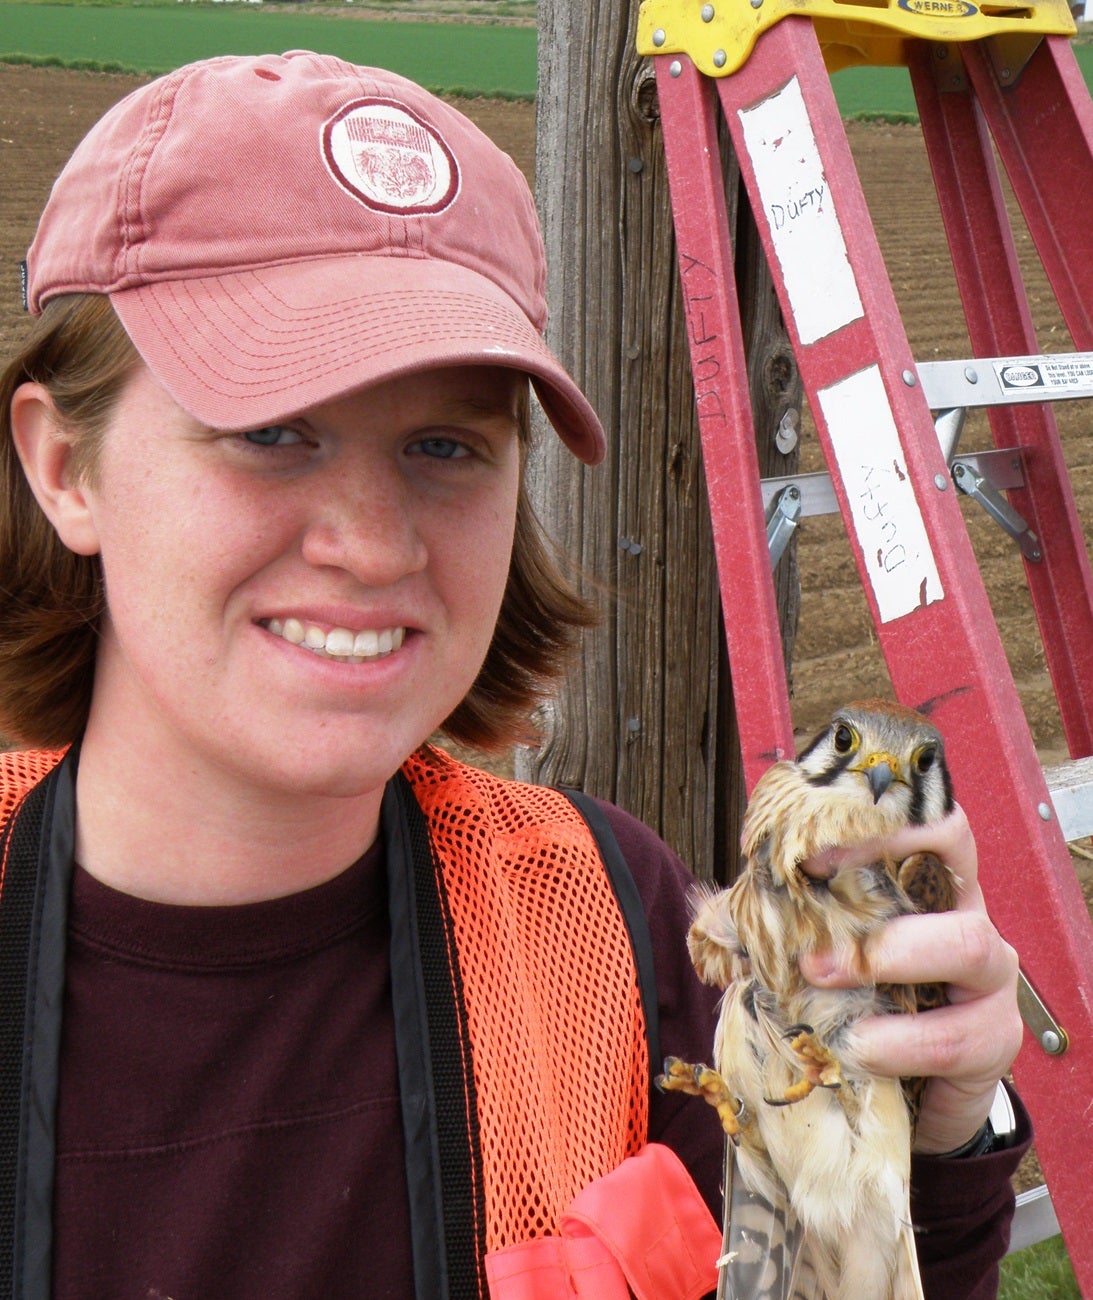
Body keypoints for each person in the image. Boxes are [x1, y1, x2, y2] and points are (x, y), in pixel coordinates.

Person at [0, 50, 1026, 1300]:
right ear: (64, 466)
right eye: (270, 431)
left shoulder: (607, 920)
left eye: (445, 444)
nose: (374, 544)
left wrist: (926, 1143)